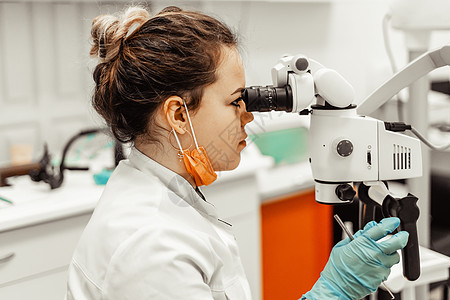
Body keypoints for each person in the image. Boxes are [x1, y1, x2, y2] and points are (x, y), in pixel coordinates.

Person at [66, 5, 409, 300]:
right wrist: (332, 292)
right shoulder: (151, 247)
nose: (249, 116)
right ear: (177, 115)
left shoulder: (166, 196)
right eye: (234, 102)